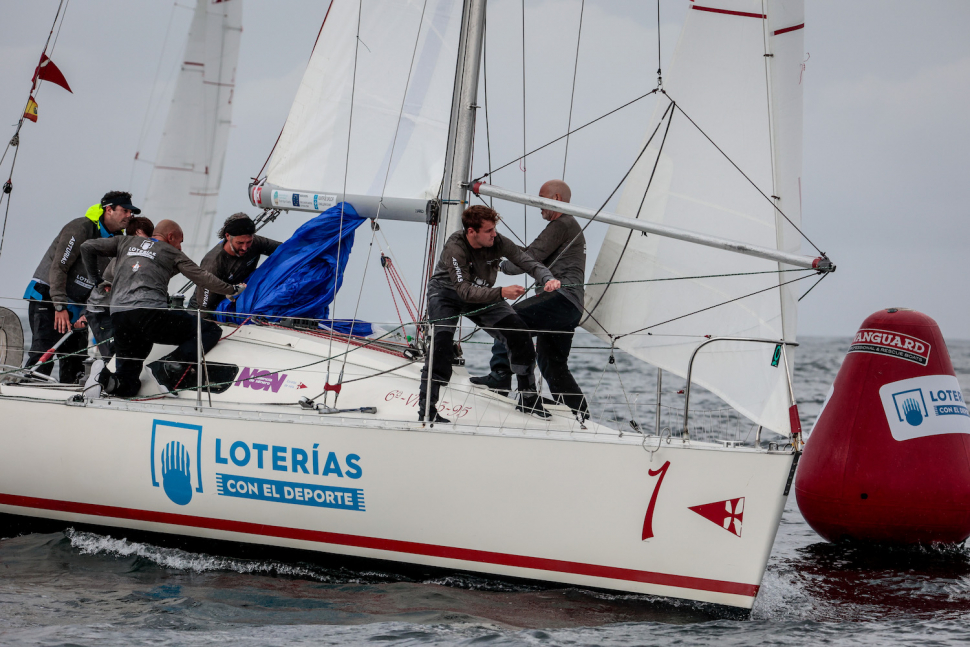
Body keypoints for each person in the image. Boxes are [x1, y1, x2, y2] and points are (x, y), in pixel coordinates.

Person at [419, 205, 561, 423]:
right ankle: (427, 408)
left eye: (494, 229)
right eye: (489, 230)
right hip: (447, 293)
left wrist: (548, 278)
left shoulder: (499, 241)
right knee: (441, 342)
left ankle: (528, 398)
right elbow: (464, 291)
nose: (494, 234)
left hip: (483, 294)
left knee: (519, 332)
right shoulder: (455, 247)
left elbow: (528, 262)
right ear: (471, 232)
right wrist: (502, 292)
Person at [80, 219, 245, 397]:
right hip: (149, 314)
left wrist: (95, 279)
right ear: (170, 236)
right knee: (209, 330)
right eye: (180, 242)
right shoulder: (171, 252)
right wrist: (232, 290)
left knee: (128, 383)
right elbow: (202, 277)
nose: (180, 248)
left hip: (120, 316)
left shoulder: (125, 241)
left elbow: (87, 247)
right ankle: (167, 369)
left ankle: (103, 378)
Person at [470, 180, 589, 420]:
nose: (538, 205)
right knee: (552, 363)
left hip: (560, 298)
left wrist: (497, 265)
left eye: (541, 198)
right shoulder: (569, 226)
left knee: (509, 321)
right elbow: (531, 253)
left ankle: (500, 377)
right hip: (571, 307)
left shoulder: (562, 224)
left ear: (556, 198)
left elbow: (530, 258)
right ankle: (578, 414)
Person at [22, 191, 136, 382]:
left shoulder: (118, 241)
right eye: (124, 211)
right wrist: (59, 306)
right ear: (109, 210)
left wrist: (86, 312)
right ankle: (28, 390)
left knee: (76, 361)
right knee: (43, 353)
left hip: (78, 303)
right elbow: (59, 266)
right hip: (48, 295)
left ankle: (68, 404)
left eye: (130, 212)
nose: (129, 216)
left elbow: (105, 282)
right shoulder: (81, 227)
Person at [85, 216, 155, 359]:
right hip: (102, 309)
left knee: (129, 353)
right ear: (137, 233)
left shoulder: (140, 255)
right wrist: (96, 280)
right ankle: (106, 377)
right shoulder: (127, 255)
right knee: (114, 355)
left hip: (119, 310)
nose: (147, 243)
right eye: (144, 238)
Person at [188, 213, 281, 316]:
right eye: (240, 243)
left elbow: (287, 249)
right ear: (227, 236)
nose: (245, 248)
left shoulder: (255, 243)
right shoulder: (213, 263)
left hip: (237, 302)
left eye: (248, 242)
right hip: (201, 311)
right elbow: (205, 307)